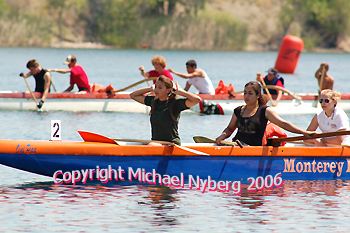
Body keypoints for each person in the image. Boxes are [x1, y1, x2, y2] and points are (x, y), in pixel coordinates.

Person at [215, 81, 314, 146]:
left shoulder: (265, 111)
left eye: (250, 93)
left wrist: (304, 133)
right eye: (245, 93)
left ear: (258, 95)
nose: (246, 96)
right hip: (236, 145)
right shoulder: (238, 110)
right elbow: (229, 129)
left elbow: (283, 124)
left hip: (253, 150)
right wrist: (222, 136)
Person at [130, 75, 201, 145]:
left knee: (152, 145)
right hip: (156, 143)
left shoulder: (176, 103)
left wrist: (181, 92)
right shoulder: (153, 101)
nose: (156, 90)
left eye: (160, 88)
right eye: (156, 87)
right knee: (151, 145)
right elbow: (133, 95)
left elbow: (197, 100)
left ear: (168, 90)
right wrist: (150, 89)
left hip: (171, 144)